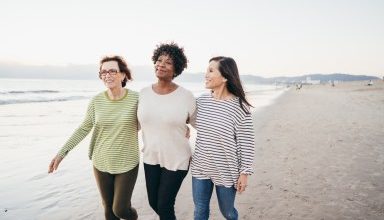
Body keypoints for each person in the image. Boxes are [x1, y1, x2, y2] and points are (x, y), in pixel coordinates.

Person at [48, 56, 139, 220]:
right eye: (103, 72)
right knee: (109, 212)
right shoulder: (96, 101)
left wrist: (180, 128)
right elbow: (84, 128)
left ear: (123, 75)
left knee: (121, 210)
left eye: (112, 71)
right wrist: (61, 153)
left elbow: (154, 119)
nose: (107, 75)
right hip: (101, 162)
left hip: (127, 163)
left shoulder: (137, 99)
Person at [190, 56, 255, 220]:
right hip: (200, 166)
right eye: (206, 70)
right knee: (199, 211)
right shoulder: (202, 101)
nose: (206, 75)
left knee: (228, 212)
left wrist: (244, 173)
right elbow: (187, 119)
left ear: (225, 77)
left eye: (211, 71)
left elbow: (246, 143)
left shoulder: (240, 107)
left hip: (225, 169)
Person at [137, 42, 196, 220]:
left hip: (177, 158)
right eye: (159, 60)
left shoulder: (186, 96)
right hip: (151, 157)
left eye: (168, 62)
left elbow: (199, 123)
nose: (161, 64)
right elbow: (134, 123)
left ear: (176, 69)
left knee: (164, 205)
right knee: (154, 203)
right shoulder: (143, 93)